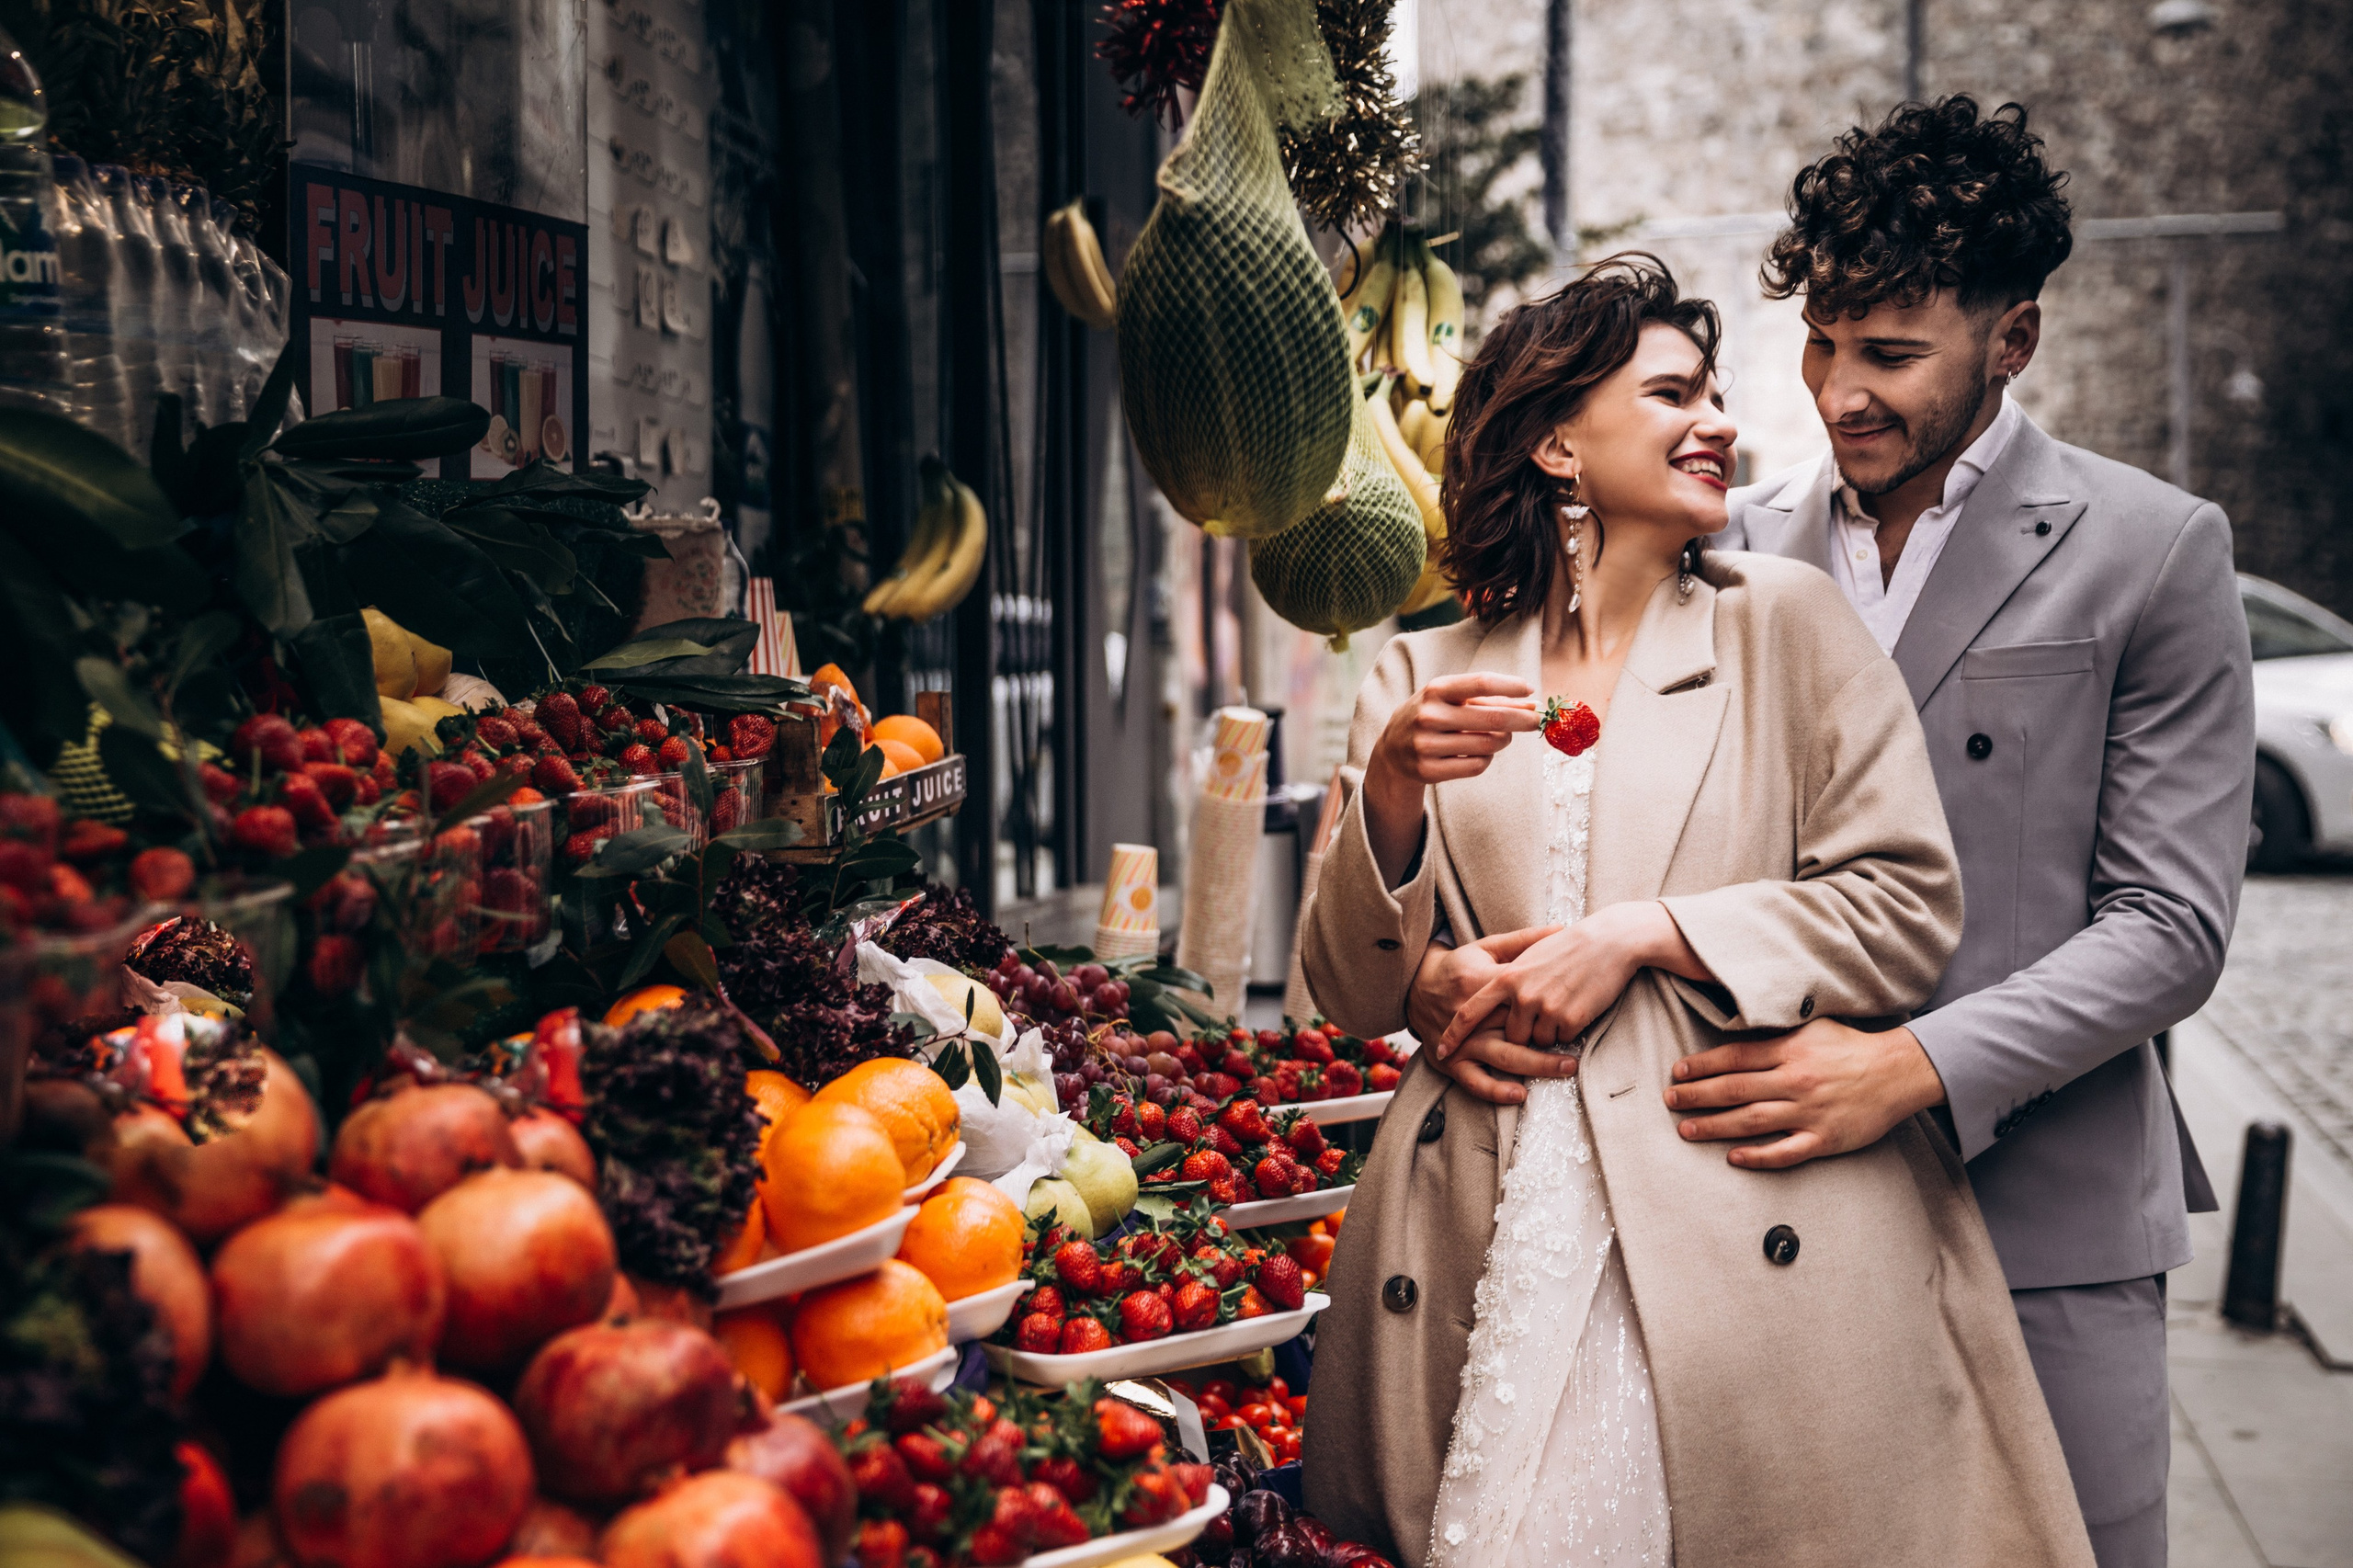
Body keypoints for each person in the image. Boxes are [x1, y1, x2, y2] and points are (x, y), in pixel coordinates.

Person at [1402, 101, 2254, 1568]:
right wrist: (1446, 973)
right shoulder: (1734, 546)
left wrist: (1910, 1065)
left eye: (1892, 356)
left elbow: (2170, 927)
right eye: (1824, 345)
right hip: (1756, 1202)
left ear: (2014, 341)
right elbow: (1607, 825)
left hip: (2044, 1200)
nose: (1840, 394)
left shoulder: (2153, 548)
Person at [1298, 255, 2093, 1568]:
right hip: (1473, 1218)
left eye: (1718, 392)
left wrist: (1649, 934)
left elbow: (1905, 905)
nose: (1720, 420)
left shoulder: (1780, 626)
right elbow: (1344, 985)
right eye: (1674, 391)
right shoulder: (1419, 668)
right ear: (1559, 441)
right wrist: (1389, 791)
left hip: (1724, 1209)